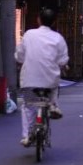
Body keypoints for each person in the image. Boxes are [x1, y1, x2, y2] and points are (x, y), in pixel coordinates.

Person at [15, 8, 69, 147]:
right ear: (54, 22)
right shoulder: (58, 38)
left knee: (28, 107)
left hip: (29, 80)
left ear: (38, 20)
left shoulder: (29, 35)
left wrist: (20, 60)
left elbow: (20, 55)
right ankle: (53, 105)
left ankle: (27, 136)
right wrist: (62, 65)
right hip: (50, 80)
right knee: (53, 88)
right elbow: (63, 60)